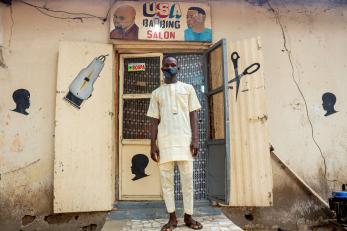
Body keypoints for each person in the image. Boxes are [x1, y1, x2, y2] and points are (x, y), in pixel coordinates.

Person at [147, 56, 203, 230]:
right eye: (167, 65)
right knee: (167, 182)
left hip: (185, 141)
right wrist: (152, 144)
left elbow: (193, 114)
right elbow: (154, 120)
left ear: (178, 69)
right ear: (162, 69)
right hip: (164, 143)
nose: (170, 67)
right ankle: (172, 218)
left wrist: (195, 139)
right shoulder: (156, 93)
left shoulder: (188, 88)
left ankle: (188, 216)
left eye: (173, 65)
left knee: (187, 181)